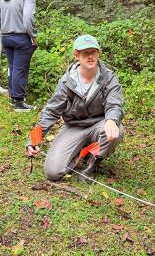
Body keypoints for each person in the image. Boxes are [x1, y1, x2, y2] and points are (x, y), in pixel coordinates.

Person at [25, 35, 125, 181]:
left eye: (93, 52)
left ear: (98, 53)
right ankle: (81, 151)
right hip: (74, 127)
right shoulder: (67, 81)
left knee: (117, 128)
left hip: (99, 125)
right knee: (53, 172)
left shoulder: (109, 77)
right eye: (85, 53)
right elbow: (51, 112)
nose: (90, 56)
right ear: (77, 55)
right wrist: (33, 139)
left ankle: (92, 163)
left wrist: (111, 119)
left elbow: (115, 103)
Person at [0, 0, 38, 112]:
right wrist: (33, 35)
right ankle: (19, 102)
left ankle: (14, 98)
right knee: (20, 69)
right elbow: (28, 18)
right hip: (21, 38)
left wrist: (7, 24)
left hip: (6, 37)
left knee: (13, 67)